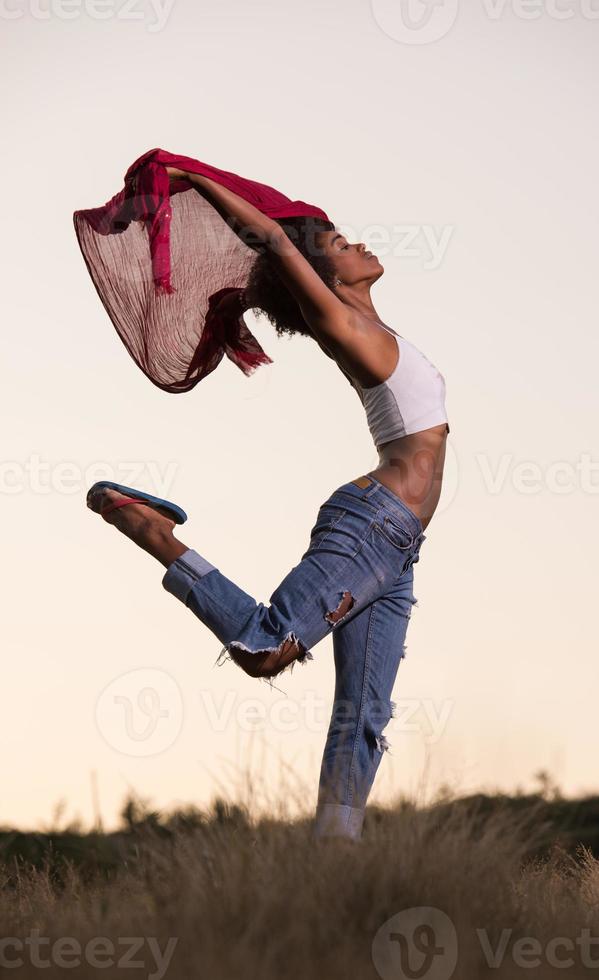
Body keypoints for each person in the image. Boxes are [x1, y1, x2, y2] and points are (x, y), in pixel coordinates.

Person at [87, 165, 451, 839]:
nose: (359, 244)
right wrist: (188, 175)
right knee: (264, 648)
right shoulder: (340, 321)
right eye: (340, 242)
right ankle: (155, 531)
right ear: (326, 276)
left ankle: (332, 862)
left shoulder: (371, 324)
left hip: (397, 547)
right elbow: (273, 242)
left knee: (364, 714)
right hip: (370, 527)